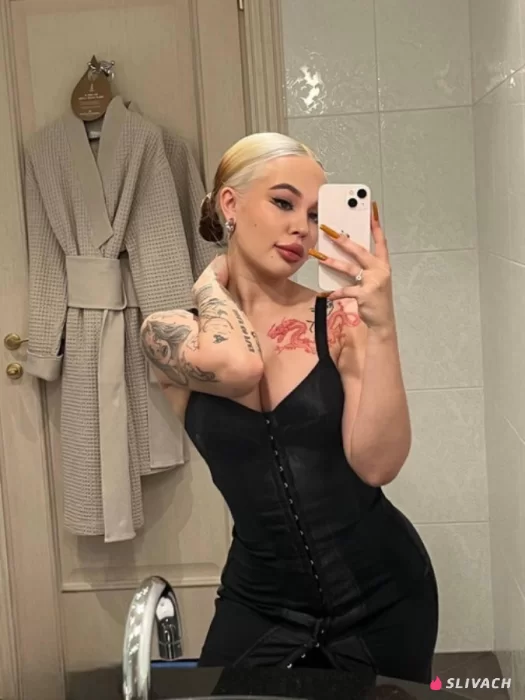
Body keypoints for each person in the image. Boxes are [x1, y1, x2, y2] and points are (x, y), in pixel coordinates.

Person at [140, 132, 439, 683]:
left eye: (316, 214)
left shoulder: (340, 318)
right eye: (283, 202)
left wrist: (382, 326)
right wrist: (212, 284)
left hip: (385, 595)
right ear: (230, 204)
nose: (302, 227)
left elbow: (378, 465)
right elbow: (240, 368)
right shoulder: (169, 332)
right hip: (260, 602)